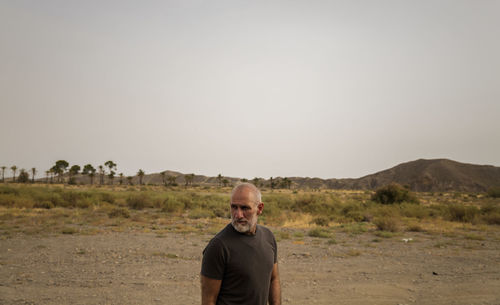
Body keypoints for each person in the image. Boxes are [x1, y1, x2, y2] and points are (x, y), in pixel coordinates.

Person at [200, 183, 281, 305]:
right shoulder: (218, 246)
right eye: (234, 207)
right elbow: (208, 300)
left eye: (245, 208)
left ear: (259, 208)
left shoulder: (268, 237)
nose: (238, 215)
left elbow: (273, 279)